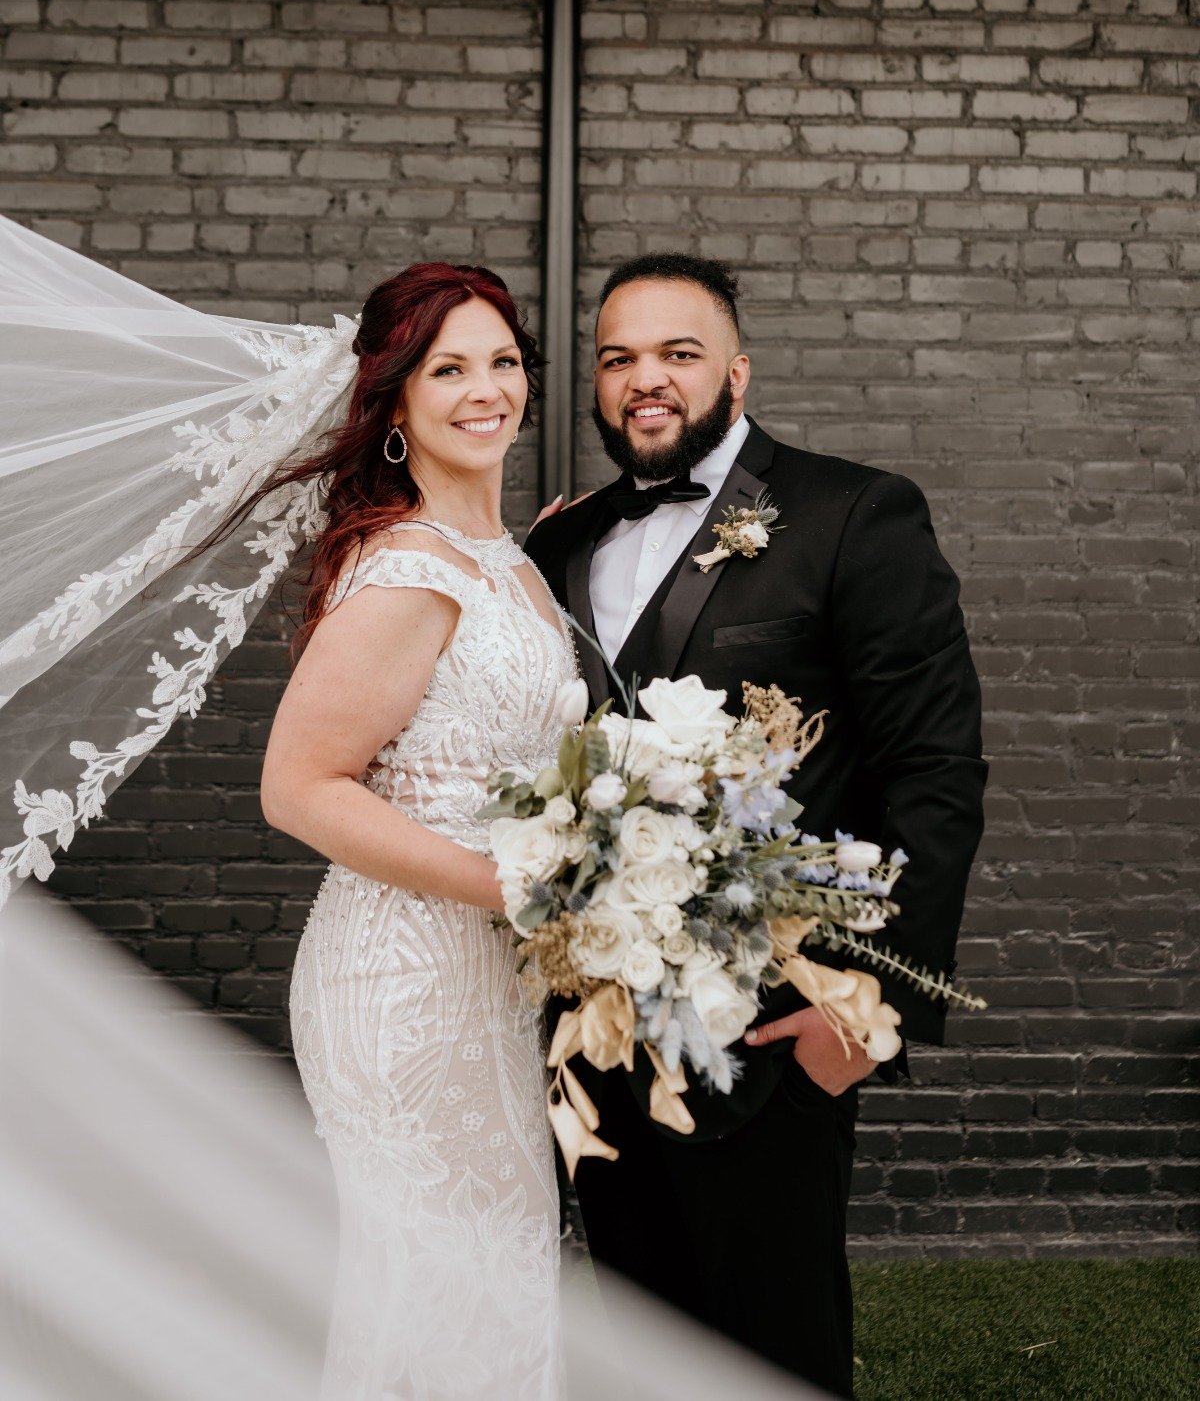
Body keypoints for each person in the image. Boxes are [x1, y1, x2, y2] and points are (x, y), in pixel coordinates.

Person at [524, 253, 988, 1400]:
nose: (647, 379)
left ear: (736, 371)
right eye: (620, 356)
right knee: (635, 1340)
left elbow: (933, 770)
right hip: (594, 1030)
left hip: (774, 1033)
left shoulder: (853, 514)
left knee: (773, 1349)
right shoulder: (559, 543)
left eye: (678, 353)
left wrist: (870, 1011)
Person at [256, 262, 575, 1401]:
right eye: (448, 368)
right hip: (404, 982)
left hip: (492, 978)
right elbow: (298, 789)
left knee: (494, 1279)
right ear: (395, 401)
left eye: (503, 362)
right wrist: (514, 889)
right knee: (440, 1292)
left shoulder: (516, 567)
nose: (485, 389)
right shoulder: (405, 570)